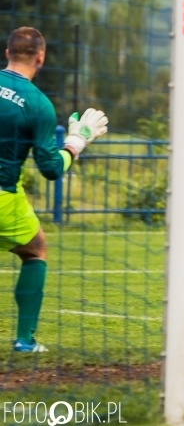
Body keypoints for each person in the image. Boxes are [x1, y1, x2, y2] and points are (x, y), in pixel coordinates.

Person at [2, 26, 108, 352]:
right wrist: (76, 143)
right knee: (35, 250)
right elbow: (50, 169)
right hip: (4, 195)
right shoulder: (38, 104)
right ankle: (24, 340)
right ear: (41, 57)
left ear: (7, 52)